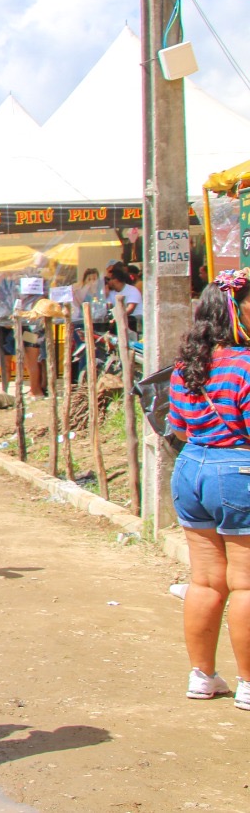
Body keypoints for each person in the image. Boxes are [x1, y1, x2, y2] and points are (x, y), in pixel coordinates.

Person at [167, 269, 250, 709]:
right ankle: (248, 685)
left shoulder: (186, 365)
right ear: (234, 311)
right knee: (246, 585)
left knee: (204, 582)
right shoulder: (246, 365)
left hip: (190, 469)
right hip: (238, 472)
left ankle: (202, 676)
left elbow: (178, 426)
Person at [106, 262, 144, 335]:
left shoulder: (132, 290)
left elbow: (130, 309)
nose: (107, 282)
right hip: (118, 320)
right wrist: (105, 292)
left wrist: (117, 317)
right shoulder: (111, 293)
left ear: (115, 280)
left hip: (134, 321)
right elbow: (107, 308)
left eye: (108, 279)